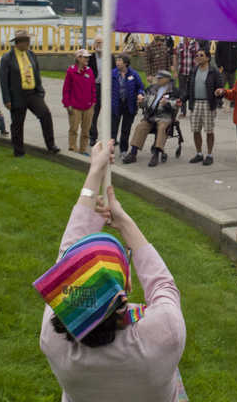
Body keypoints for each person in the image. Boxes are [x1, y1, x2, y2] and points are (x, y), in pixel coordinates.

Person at [38, 141, 187, 402]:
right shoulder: (164, 334)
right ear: (125, 289)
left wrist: (94, 172)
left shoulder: (53, 339)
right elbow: (162, 285)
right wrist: (125, 222)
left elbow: (67, 256)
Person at [0, 29, 60, 157]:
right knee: (17, 123)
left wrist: (40, 91)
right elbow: (3, 81)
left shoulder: (31, 54)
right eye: (26, 41)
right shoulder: (7, 58)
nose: (28, 44)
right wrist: (7, 99)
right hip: (17, 96)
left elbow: (36, 73)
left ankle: (51, 145)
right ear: (18, 42)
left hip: (33, 94)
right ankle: (19, 151)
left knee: (45, 114)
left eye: (28, 41)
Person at [123, 70, 180, 167]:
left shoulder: (174, 91)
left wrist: (167, 103)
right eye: (157, 78)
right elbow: (146, 102)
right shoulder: (152, 88)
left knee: (162, 128)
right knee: (141, 126)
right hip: (151, 116)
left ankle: (156, 154)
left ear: (166, 79)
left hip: (164, 117)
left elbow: (177, 105)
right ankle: (133, 153)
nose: (157, 80)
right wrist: (141, 101)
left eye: (159, 78)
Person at [186, 48, 224, 166]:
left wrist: (218, 97)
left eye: (201, 55)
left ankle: (209, 155)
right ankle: (199, 154)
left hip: (208, 104)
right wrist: (182, 99)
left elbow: (220, 87)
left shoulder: (214, 71)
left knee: (209, 130)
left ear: (207, 58)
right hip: (195, 103)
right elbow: (189, 88)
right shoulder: (194, 70)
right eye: (197, 55)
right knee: (196, 130)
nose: (198, 57)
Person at [110, 54, 146, 157]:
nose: (117, 62)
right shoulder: (112, 74)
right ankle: (110, 150)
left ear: (125, 63)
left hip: (129, 106)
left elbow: (141, 87)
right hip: (116, 105)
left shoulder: (133, 74)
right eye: (117, 60)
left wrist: (140, 94)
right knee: (113, 129)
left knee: (125, 129)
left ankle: (123, 150)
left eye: (119, 61)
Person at [62, 49, 96, 154]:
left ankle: (83, 150)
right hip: (75, 106)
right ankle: (72, 148)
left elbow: (93, 88)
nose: (87, 59)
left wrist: (93, 101)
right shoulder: (71, 71)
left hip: (88, 106)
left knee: (86, 131)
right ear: (78, 58)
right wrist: (67, 104)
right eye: (85, 57)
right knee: (74, 129)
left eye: (87, 57)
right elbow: (66, 89)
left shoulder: (89, 71)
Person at [172, 36, 199, 117]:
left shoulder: (196, 45)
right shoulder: (179, 45)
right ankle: (183, 111)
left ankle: (192, 110)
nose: (185, 37)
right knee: (182, 92)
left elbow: (198, 58)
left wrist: (198, 71)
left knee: (192, 91)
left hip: (193, 72)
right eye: (184, 36)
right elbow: (175, 58)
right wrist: (175, 71)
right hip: (182, 71)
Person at [87, 36, 103, 146]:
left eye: (101, 42)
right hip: (94, 87)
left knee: (111, 114)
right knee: (93, 113)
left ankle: (112, 137)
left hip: (106, 88)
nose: (99, 45)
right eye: (97, 42)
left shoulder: (109, 57)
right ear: (94, 45)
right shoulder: (90, 57)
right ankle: (93, 136)